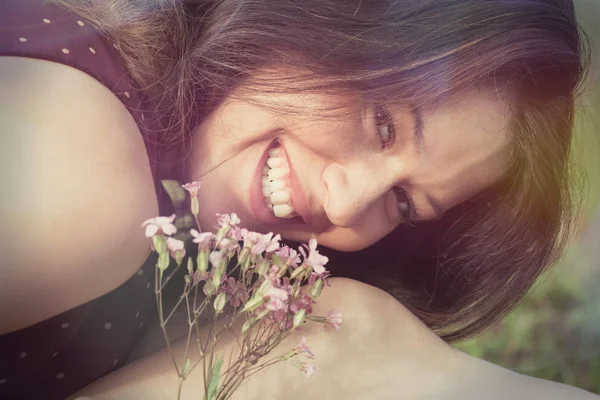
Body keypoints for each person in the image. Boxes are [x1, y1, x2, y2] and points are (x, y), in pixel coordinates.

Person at [0, 0, 597, 399]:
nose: (344, 206)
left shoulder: (187, 264)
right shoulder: (79, 163)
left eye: (405, 203)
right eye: (383, 124)